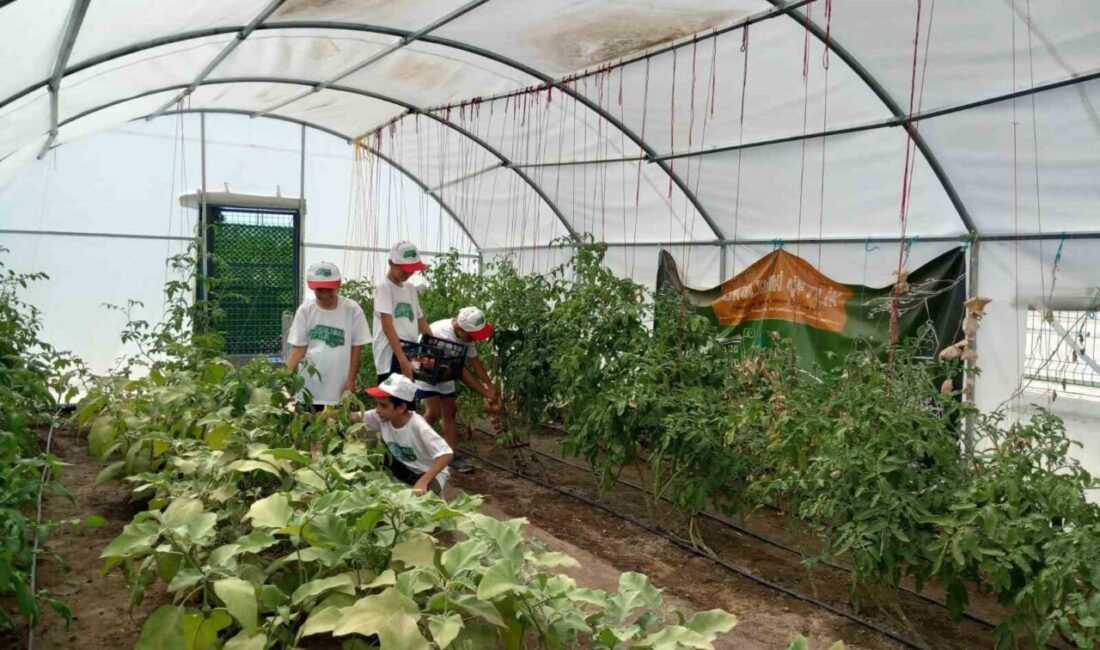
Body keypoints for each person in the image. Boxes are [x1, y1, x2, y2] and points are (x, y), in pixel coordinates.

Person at [417, 306, 499, 474]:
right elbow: (462, 372)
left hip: (447, 373)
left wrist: (489, 384)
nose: (473, 339)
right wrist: (485, 392)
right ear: (460, 329)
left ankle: (451, 455)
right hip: (427, 373)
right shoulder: (439, 333)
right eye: (471, 335)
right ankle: (408, 438)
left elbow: (475, 361)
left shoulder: (466, 337)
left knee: (450, 410)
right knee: (433, 412)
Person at [286, 261, 370, 410]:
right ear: (312, 287)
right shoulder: (305, 311)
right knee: (307, 430)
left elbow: (355, 349)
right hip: (309, 388)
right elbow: (299, 348)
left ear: (338, 285)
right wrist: (282, 377)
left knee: (338, 430)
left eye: (329, 290)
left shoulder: (351, 309)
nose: (324, 294)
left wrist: (351, 382)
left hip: (338, 389)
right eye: (320, 290)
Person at [354, 374, 453, 496]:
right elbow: (355, 417)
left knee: (424, 501)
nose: (378, 409)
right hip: (406, 468)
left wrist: (423, 482)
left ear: (401, 407)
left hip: (429, 473)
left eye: (383, 405)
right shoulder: (382, 416)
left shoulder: (418, 426)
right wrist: (331, 412)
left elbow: (446, 454)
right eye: (378, 404)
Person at [373, 241, 432, 382]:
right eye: (404, 269)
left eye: (411, 269)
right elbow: (387, 326)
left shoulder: (410, 289)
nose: (408, 273)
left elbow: (421, 320)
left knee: (408, 400)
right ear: (391, 263)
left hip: (410, 352)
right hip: (391, 356)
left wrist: (432, 348)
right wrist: (402, 360)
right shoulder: (384, 288)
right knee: (392, 401)